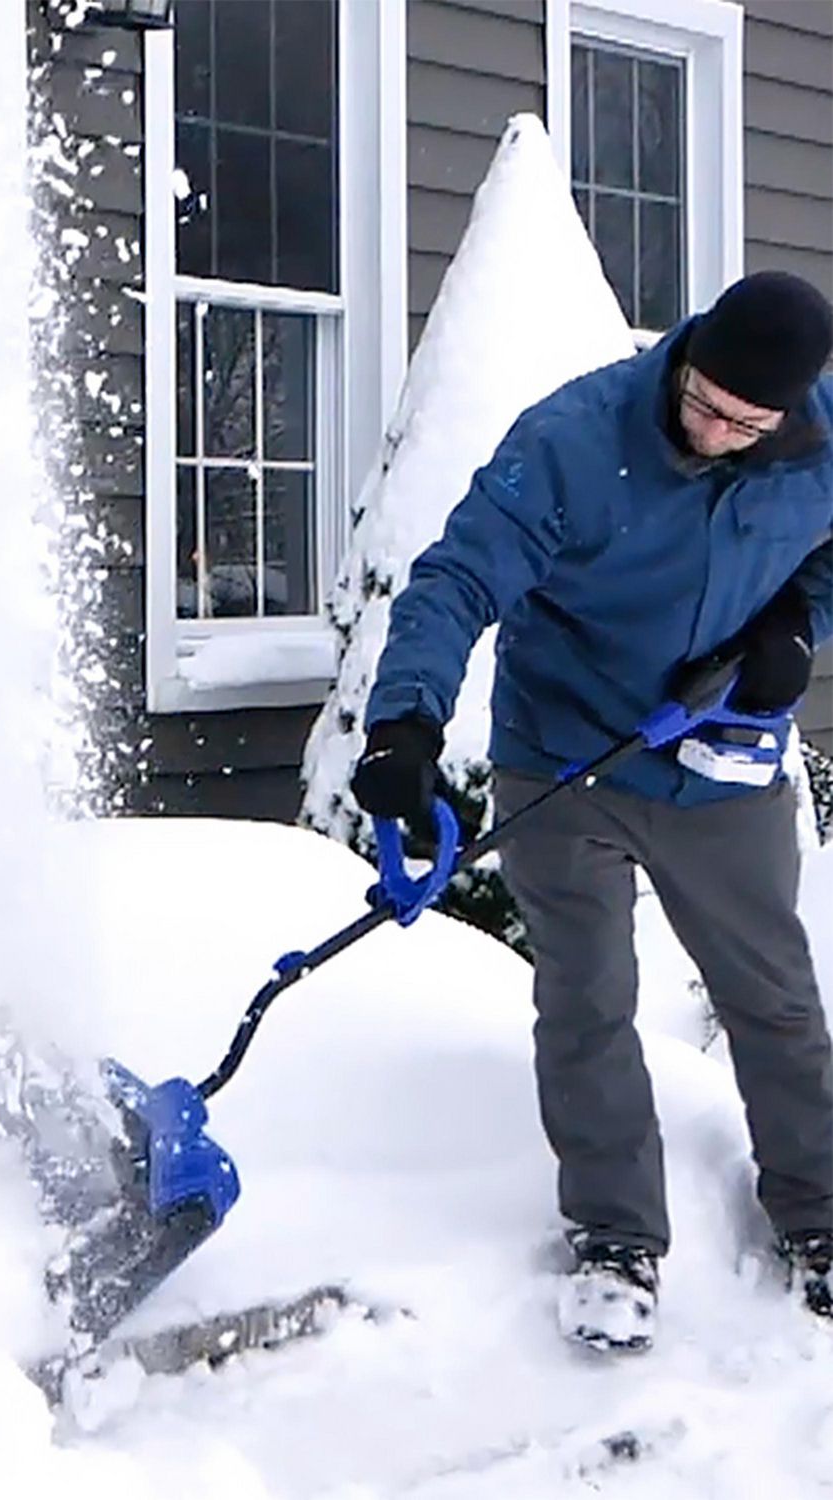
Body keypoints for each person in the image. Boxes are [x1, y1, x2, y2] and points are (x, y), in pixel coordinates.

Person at [348, 270, 833, 1351]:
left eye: (746, 425)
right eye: (704, 403)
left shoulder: (821, 442)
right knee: (587, 1000)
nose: (714, 434)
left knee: (777, 998)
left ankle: (820, 1215)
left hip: (717, 758)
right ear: (690, 349)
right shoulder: (574, 438)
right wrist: (404, 728)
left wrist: (797, 624)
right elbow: (456, 582)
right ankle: (616, 1240)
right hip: (566, 752)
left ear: (791, 411)